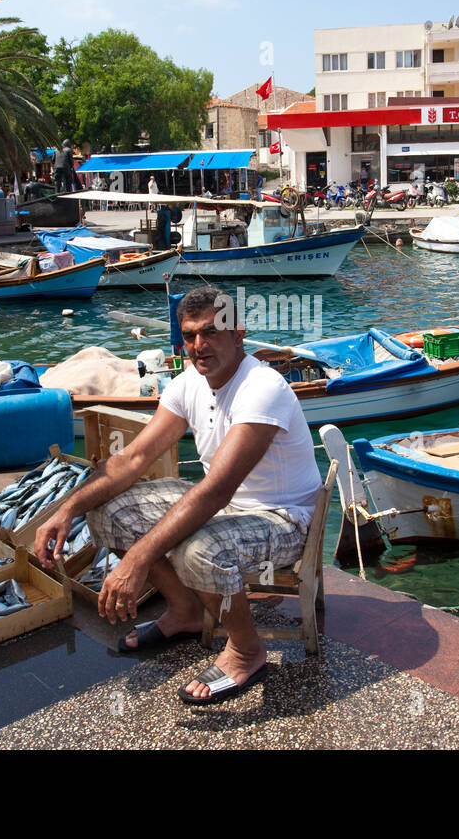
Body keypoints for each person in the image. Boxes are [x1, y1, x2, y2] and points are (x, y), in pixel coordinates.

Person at [34, 286, 322, 705]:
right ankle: (185, 610)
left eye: (211, 332)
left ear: (238, 333)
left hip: (283, 518)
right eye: (189, 335)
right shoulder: (189, 383)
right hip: (225, 508)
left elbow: (216, 490)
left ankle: (246, 650)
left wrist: (137, 559)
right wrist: (67, 509)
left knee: (197, 549)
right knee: (107, 512)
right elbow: (132, 459)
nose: (199, 345)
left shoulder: (263, 387)